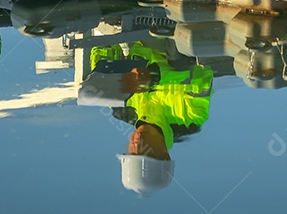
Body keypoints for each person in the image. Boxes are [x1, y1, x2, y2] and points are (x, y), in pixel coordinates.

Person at [86, 41, 214, 196]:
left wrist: (103, 71)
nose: (137, 145)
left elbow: (104, 47)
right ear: (165, 155)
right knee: (178, 60)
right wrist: (155, 75)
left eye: (132, 152)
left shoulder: (120, 107)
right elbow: (203, 73)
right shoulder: (191, 116)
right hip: (175, 29)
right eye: (146, 153)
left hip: (130, 23)